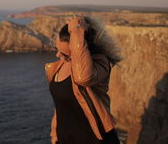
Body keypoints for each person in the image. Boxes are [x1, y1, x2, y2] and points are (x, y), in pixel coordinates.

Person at [44, 14, 123, 144]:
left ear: (79, 46)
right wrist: (54, 134)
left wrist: (77, 30)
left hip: (96, 140)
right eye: (56, 49)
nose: (57, 55)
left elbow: (83, 78)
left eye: (64, 54)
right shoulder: (57, 68)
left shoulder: (99, 64)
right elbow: (60, 105)